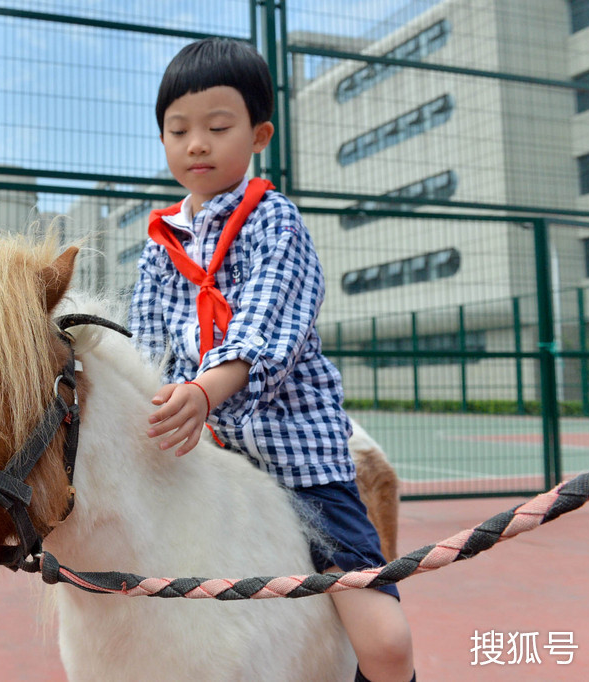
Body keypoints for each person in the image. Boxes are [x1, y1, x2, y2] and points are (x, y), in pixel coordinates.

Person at [128, 37, 416, 682]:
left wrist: (203, 392)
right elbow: (143, 346)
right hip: (199, 459)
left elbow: (267, 330)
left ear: (258, 135)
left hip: (299, 463)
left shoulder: (274, 221)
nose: (195, 143)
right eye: (178, 130)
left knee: (389, 644)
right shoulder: (159, 243)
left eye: (217, 126)